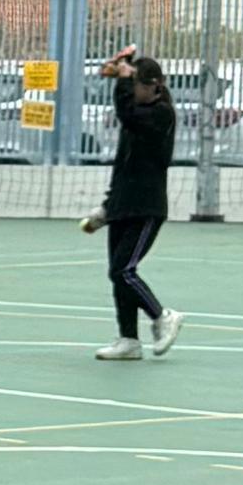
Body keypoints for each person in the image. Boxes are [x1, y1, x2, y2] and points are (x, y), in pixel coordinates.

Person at [88, 45, 181, 360]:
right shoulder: (135, 119)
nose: (136, 91)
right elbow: (122, 166)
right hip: (124, 204)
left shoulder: (161, 114)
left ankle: (162, 316)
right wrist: (107, 206)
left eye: (139, 85)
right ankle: (128, 339)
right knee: (117, 273)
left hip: (146, 206)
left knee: (124, 270)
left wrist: (123, 80)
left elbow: (126, 112)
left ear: (153, 86)